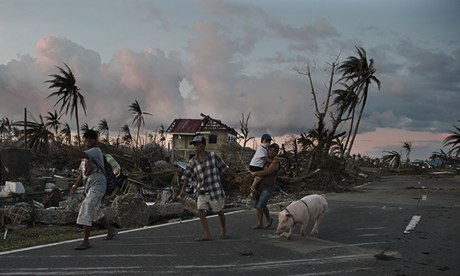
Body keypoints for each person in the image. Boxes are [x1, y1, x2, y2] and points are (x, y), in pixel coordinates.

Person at [53, 129, 117, 250]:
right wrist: (75, 186)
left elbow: (78, 154)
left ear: (95, 140)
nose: (88, 141)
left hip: (99, 185)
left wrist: (62, 145)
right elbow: (82, 175)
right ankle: (110, 230)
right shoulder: (85, 158)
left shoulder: (95, 151)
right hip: (89, 186)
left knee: (87, 206)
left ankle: (86, 241)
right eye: (86, 138)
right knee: (96, 210)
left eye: (90, 138)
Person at [180, 135, 241, 241]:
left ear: (203, 145)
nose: (196, 147)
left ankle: (223, 230)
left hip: (215, 189)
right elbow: (187, 176)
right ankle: (206, 234)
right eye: (194, 145)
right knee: (200, 210)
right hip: (202, 190)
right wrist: (182, 190)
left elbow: (225, 168)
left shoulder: (214, 156)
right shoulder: (193, 161)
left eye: (198, 144)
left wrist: (236, 176)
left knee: (219, 211)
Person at [251, 143, 280, 229]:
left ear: (277, 152)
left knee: (261, 204)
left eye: (274, 151)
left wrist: (256, 173)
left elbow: (268, 171)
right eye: (270, 150)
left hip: (268, 187)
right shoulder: (264, 161)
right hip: (260, 185)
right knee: (257, 205)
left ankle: (268, 219)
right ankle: (259, 223)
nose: (272, 152)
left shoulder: (275, 162)